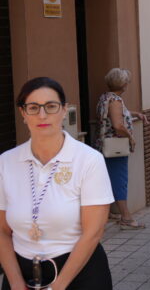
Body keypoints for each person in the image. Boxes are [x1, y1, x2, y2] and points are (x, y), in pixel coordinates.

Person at [0, 77, 114, 289]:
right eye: (33, 107)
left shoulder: (88, 160)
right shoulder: (6, 162)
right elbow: (2, 231)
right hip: (21, 273)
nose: (42, 115)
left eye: (50, 106)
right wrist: (15, 282)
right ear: (23, 113)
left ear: (64, 110)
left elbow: (93, 232)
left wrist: (58, 285)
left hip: (79, 273)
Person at [95, 68, 148, 229]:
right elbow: (118, 125)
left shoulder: (106, 97)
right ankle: (126, 217)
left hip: (104, 145)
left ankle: (110, 212)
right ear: (123, 84)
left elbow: (115, 114)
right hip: (115, 147)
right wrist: (130, 137)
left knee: (109, 180)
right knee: (120, 181)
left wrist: (134, 114)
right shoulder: (115, 100)